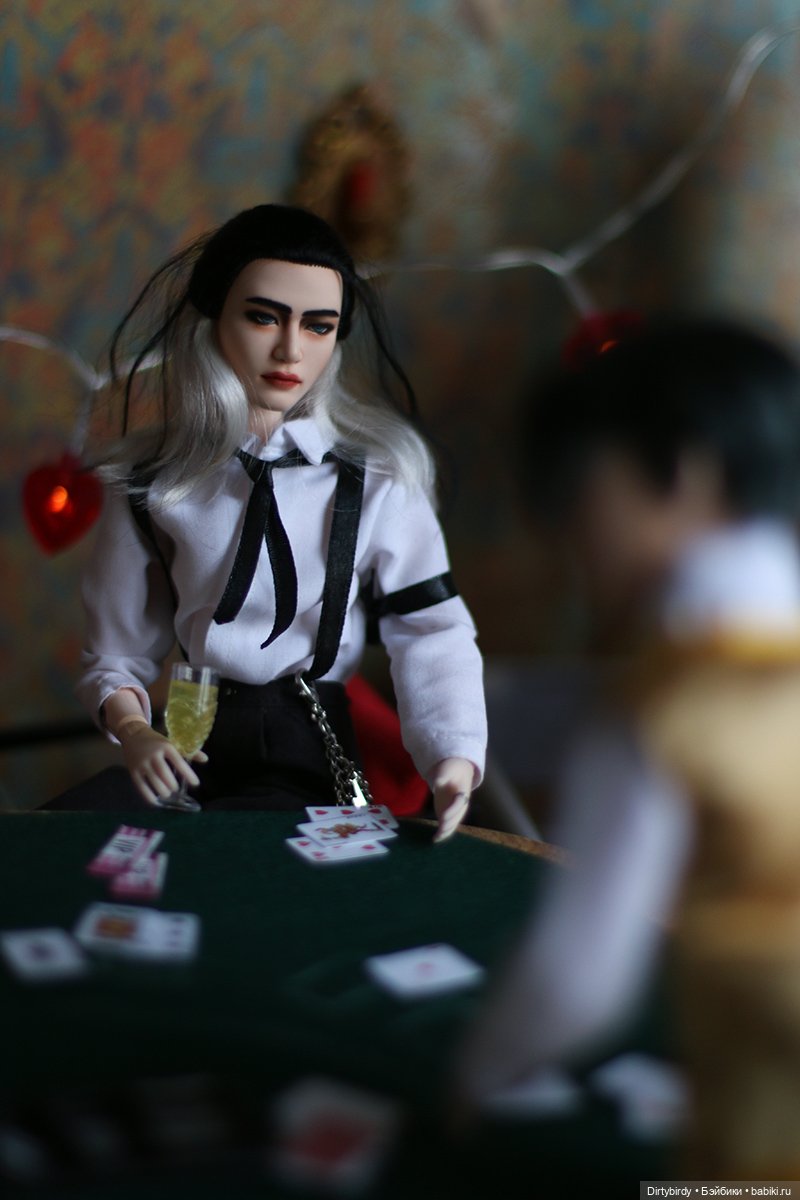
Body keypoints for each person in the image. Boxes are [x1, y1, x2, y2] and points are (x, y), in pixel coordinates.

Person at [454, 317, 800, 1176]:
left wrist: (471, 1081)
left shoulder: (662, 701)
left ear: (680, 469)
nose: (570, 540)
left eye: (581, 495)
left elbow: (577, 980)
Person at [52, 204, 485, 839]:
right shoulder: (153, 479)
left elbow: (430, 628)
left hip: (309, 735)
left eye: (318, 326)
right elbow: (116, 650)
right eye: (263, 316)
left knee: (259, 853)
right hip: (191, 723)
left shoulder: (377, 478)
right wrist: (135, 730)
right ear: (212, 320)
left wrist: (453, 754)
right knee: (76, 841)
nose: (289, 349)